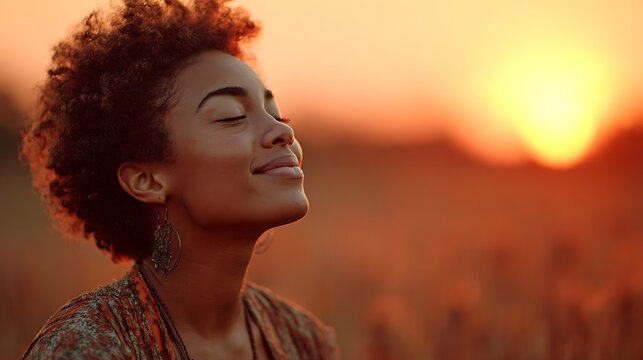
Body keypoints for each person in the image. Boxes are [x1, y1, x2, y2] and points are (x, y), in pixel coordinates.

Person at [20, 0, 339, 358]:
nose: (282, 130)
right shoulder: (87, 347)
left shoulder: (305, 340)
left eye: (277, 113)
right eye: (231, 116)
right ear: (147, 180)